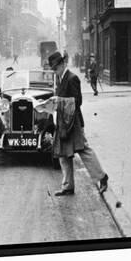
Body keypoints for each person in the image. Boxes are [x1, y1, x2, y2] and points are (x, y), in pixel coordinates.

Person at [48, 51, 109, 196]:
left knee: (83, 149)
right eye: (53, 70)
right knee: (63, 153)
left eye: (56, 68)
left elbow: (78, 101)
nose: (55, 72)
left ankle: (102, 177)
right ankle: (68, 186)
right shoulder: (61, 79)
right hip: (64, 122)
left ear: (63, 64)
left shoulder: (72, 78)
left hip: (74, 122)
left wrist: (59, 101)